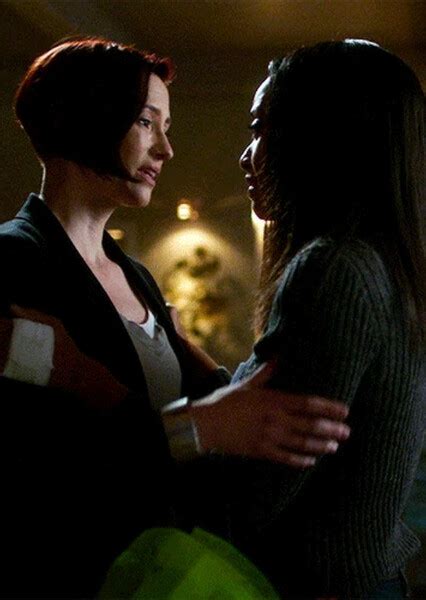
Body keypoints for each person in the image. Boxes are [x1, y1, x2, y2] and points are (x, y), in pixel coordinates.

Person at [0, 37, 350, 598]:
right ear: (87, 117)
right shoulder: (15, 260)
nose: (165, 149)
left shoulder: (136, 275)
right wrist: (201, 426)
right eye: (147, 122)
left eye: (165, 127)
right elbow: (40, 464)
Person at [220, 39, 425, 599]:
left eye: (260, 129)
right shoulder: (387, 263)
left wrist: (172, 435)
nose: (247, 155)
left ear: (317, 136)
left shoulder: (335, 267)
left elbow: (261, 485)